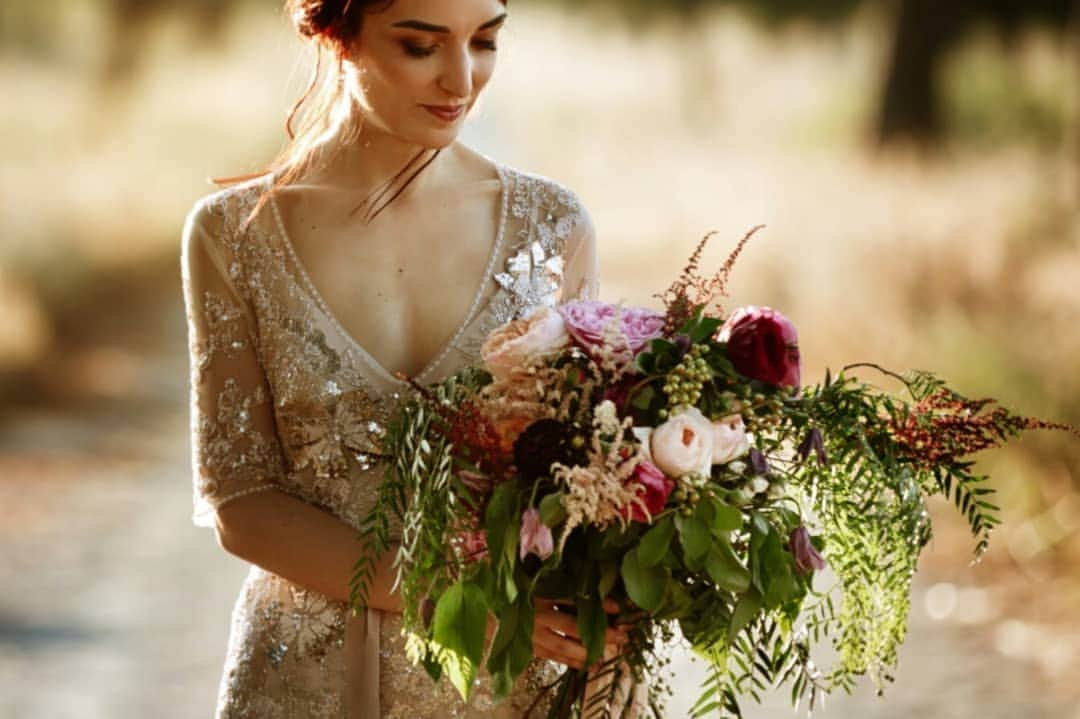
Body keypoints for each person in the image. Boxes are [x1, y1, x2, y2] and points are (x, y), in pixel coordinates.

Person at [180, 0, 635, 715]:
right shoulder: (234, 235)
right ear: (336, 35)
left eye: (484, 41)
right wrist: (448, 601)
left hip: (509, 676)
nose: (461, 79)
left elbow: (587, 468)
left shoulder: (553, 226)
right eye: (421, 46)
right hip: (310, 674)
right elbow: (240, 500)